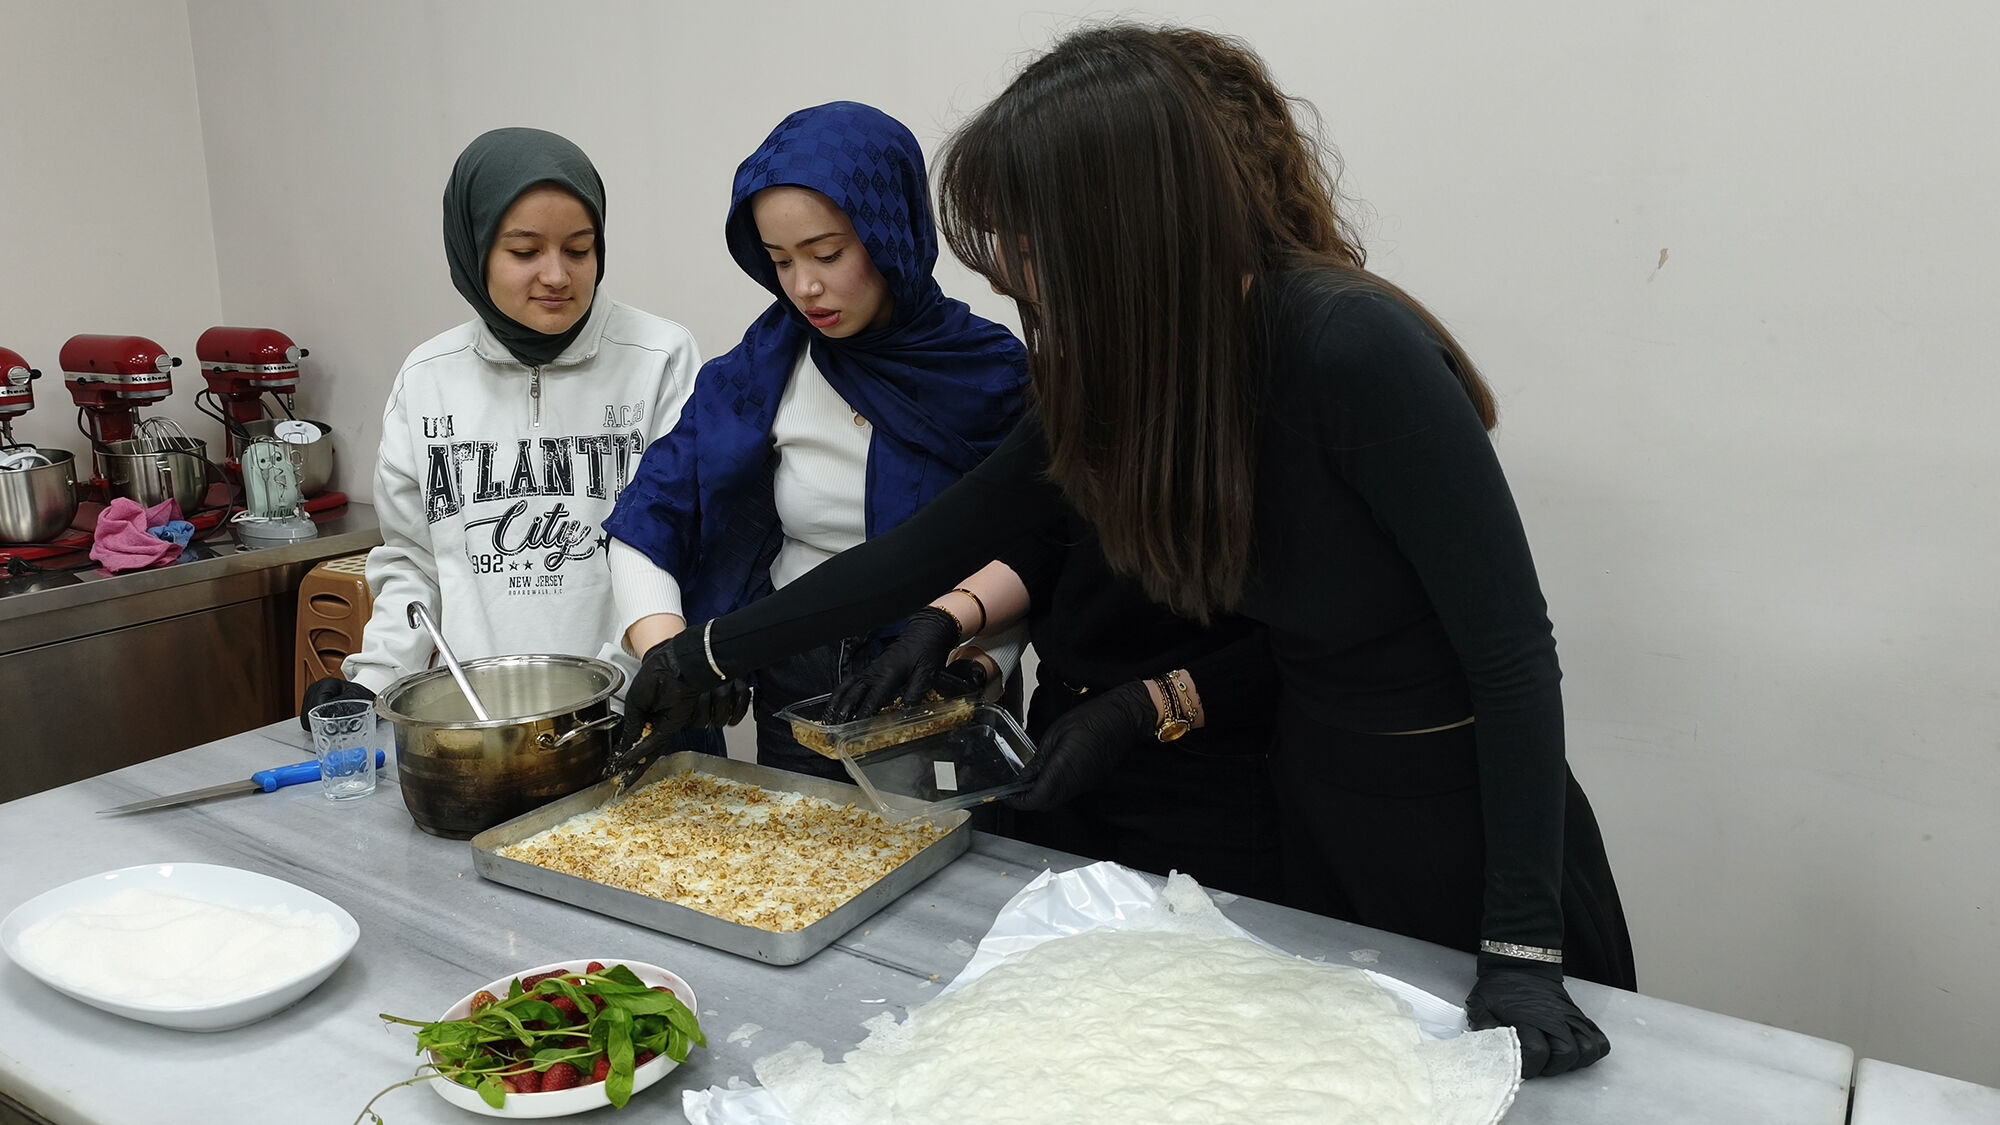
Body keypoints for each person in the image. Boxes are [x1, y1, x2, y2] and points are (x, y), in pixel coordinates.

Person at [616, 27, 1636, 1079]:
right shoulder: (1132, 367)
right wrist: (705, 655)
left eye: (1028, 238)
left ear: (1122, 222)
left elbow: (1513, 659)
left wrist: (1520, 949)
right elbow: (931, 547)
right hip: (1312, 812)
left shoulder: (1349, 345)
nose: (1016, 272)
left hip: (1457, 836)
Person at [602, 101, 1029, 780]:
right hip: (796, 681)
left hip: (940, 672)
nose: (804, 287)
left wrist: (978, 668)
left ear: (890, 232)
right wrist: (672, 655)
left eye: (828, 254)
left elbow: (1035, 548)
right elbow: (646, 517)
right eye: (779, 261)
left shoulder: (990, 372)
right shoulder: (762, 369)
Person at [300, 127, 701, 721]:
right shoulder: (429, 376)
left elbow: (683, 542)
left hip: (633, 709)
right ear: (473, 247)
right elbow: (413, 562)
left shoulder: (658, 357)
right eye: (524, 251)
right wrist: (378, 678)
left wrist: (647, 677)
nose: (558, 276)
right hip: (479, 722)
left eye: (579, 249)